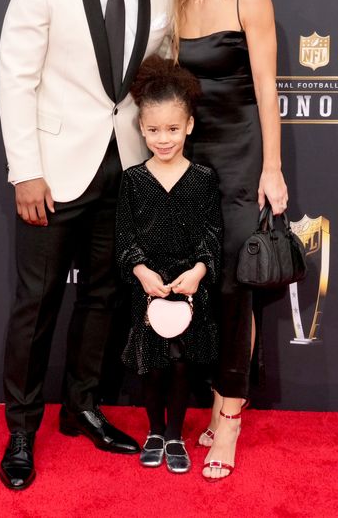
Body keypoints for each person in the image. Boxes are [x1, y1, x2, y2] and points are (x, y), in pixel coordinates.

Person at [0, 0, 173, 490]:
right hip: (52, 174)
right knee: (37, 304)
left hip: (125, 174)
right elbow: (15, 78)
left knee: (105, 299)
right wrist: (27, 172)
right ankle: (21, 430)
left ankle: (82, 407)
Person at [171, 0, 289, 481]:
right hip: (190, 162)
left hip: (242, 159)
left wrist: (272, 166)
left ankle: (231, 416)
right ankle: (217, 399)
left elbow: (267, 89)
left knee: (237, 288)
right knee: (204, 285)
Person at [117, 56, 221, 475]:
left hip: (189, 288)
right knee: (153, 364)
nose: (164, 139)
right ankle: (155, 431)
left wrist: (198, 272)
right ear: (141, 128)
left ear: (189, 126)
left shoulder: (202, 178)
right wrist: (141, 272)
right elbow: (125, 237)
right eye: (155, 130)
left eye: (173, 129)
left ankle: (176, 433)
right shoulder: (132, 180)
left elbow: (212, 233)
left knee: (180, 363)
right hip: (148, 288)